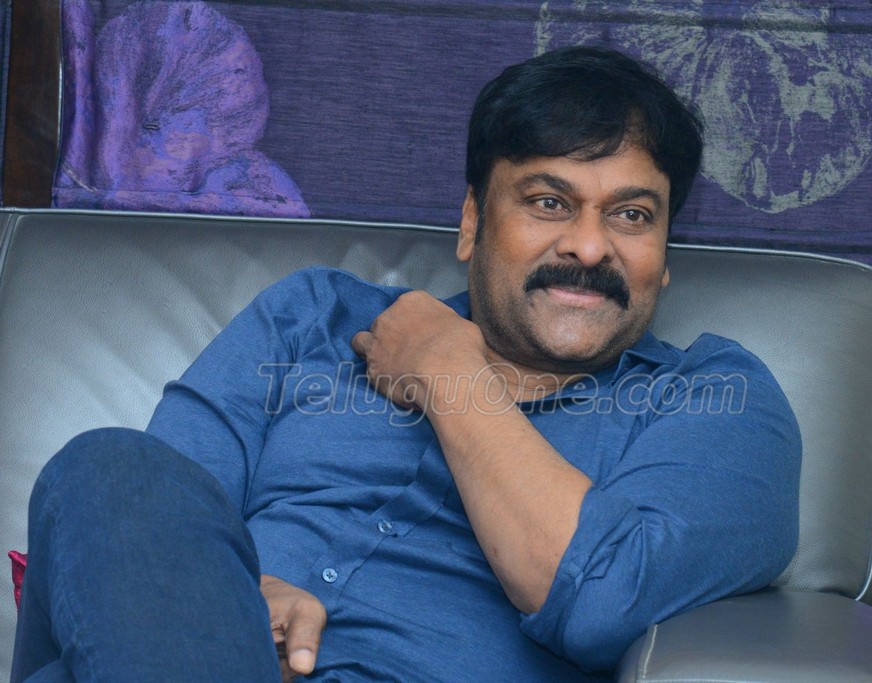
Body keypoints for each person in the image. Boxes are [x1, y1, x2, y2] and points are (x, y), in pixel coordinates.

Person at [12, 46, 801, 682]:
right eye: (549, 202)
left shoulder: (717, 401)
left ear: (664, 256)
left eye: (631, 214)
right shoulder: (313, 319)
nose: (590, 246)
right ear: (472, 222)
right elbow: (152, 519)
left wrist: (448, 369)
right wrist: (240, 603)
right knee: (108, 468)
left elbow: (599, 600)